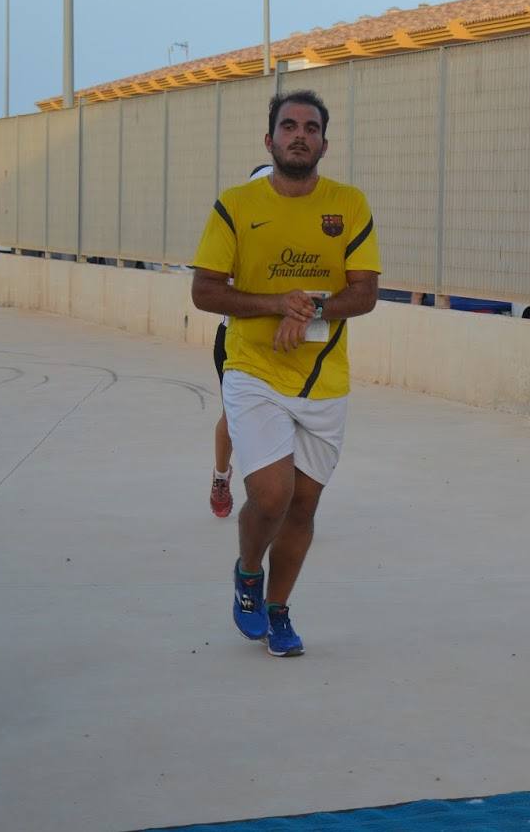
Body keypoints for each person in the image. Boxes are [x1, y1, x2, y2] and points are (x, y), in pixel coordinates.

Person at [191, 90, 381, 657]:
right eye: (289, 125)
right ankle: (248, 572)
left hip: (324, 381)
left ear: (325, 141)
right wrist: (278, 303)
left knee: (303, 507)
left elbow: (365, 293)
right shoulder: (235, 204)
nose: (300, 135)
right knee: (271, 496)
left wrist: (313, 309)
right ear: (269, 138)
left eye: (311, 127)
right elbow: (205, 290)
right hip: (253, 370)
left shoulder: (348, 204)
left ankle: (278, 611)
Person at [209, 163, 274, 519]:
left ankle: (276, 497)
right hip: (235, 340)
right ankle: (221, 476)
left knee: (285, 420)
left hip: (284, 344)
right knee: (235, 418)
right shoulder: (233, 233)